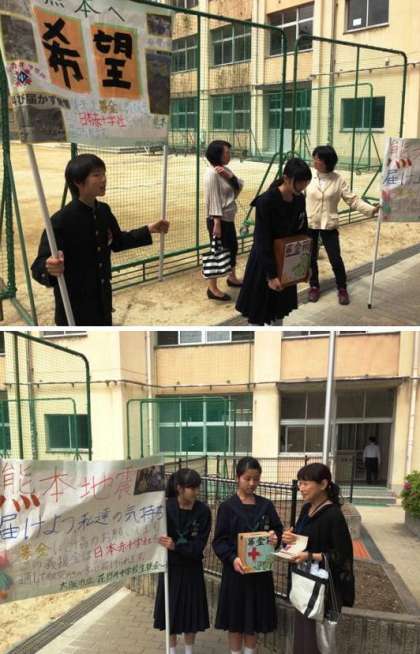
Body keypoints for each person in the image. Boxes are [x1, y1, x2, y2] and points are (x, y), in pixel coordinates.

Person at [31, 153, 169, 326]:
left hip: (103, 302)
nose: (104, 179)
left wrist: (149, 229)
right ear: (78, 182)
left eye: (104, 174)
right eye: (96, 175)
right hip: (74, 309)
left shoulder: (103, 210)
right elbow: (38, 267)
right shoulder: (61, 221)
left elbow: (118, 241)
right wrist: (49, 267)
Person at [212, 456, 283, 654]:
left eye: (256, 479)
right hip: (236, 573)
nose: (252, 483)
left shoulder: (266, 506)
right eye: (247, 478)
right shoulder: (227, 507)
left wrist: (275, 537)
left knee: (253, 621)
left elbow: (278, 529)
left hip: (260, 574)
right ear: (238, 478)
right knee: (236, 622)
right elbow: (219, 541)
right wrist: (232, 558)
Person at [282, 463, 355, 654]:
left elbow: (342, 556)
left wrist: (310, 556)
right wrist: (290, 539)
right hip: (303, 584)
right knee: (303, 635)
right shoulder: (306, 509)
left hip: (321, 590)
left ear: (323, 484)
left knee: (315, 641)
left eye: (306, 483)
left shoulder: (333, 515)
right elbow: (303, 540)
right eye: (300, 483)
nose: (301, 488)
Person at [236, 158, 312, 325]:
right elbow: (262, 240)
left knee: (280, 311)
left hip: (287, 261)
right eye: (300, 182)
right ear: (286, 178)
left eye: (306, 182)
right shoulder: (266, 201)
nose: (303, 186)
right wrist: (271, 275)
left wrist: (305, 265)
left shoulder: (299, 199)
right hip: (265, 262)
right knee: (258, 312)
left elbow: (302, 233)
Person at [306, 145, 379, 306]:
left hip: (329, 225)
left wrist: (371, 210)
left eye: (317, 158)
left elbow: (353, 200)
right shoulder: (309, 176)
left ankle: (342, 288)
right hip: (310, 224)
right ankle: (314, 286)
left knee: (335, 259)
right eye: (314, 157)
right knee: (310, 258)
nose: (314, 161)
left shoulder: (338, 180)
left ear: (326, 162)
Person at [154, 468, 211, 654]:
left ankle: (189, 650)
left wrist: (176, 546)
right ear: (179, 488)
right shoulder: (165, 508)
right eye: (192, 488)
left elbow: (198, 546)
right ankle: (171, 650)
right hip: (170, 568)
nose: (196, 492)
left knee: (190, 614)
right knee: (170, 612)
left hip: (192, 568)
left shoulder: (203, 511)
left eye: (197, 487)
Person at [204, 140, 244, 301]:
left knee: (232, 248)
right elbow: (213, 199)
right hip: (218, 221)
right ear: (218, 154)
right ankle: (212, 288)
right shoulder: (212, 174)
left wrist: (230, 176)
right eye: (227, 152)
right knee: (217, 252)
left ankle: (232, 278)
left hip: (227, 218)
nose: (229, 155)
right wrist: (217, 223)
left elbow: (238, 187)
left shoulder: (224, 170)